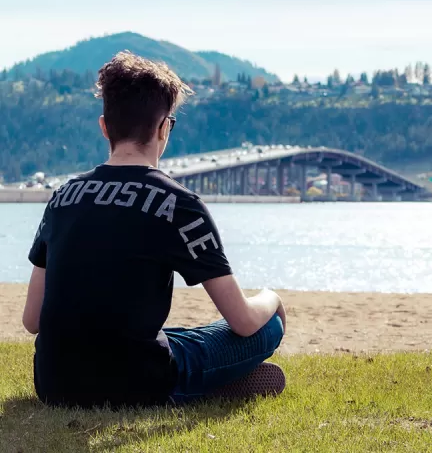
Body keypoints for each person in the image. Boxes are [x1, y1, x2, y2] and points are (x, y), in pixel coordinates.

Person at [22, 51, 286, 408]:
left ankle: (207, 384)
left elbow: (32, 320)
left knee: (173, 337)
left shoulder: (61, 198)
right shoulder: (179, 204)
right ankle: (205, 385)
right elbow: (241, 321)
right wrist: (272, 299)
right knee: (268, 326)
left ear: (104, 126)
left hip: (54, 384)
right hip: (138, 384)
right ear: (164, 128)